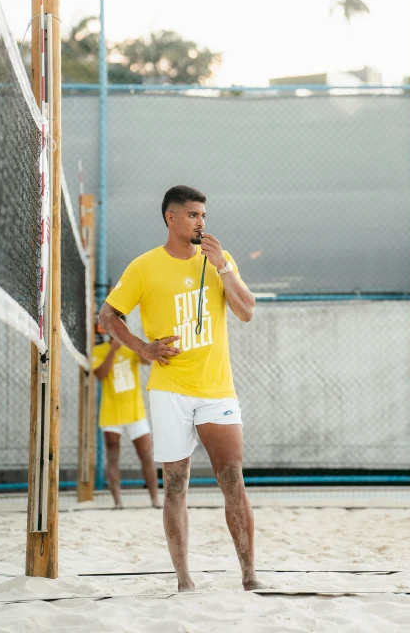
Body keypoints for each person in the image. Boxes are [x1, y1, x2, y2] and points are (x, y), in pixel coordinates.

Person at [98, 185, 262, 592]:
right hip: (169, 389)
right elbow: (107, 316)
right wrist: (143, 348)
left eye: (203, 215)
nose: (201, 222)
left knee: (233, 478)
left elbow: (246, 312)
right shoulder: (144, 266)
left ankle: (249, 575)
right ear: (171, 218)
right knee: (175, 484)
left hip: (216, 389)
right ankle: (184, 579)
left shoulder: (219, 260)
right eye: (193, 215)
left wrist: (222, 266)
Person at [93, 318, 160, 509]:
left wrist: (132, 342)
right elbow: (100, 374)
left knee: (146, 454)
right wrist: (113, 350)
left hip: (134, 411)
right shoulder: (98, 350)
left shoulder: (131, 348)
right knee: (113, 456)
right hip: (111, 412)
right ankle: (117, 502)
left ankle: (155, 499)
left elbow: (146, 361)